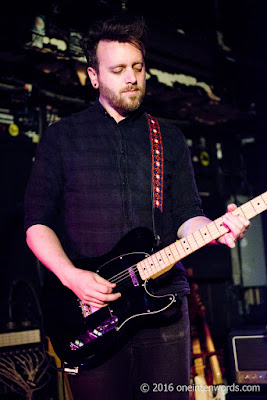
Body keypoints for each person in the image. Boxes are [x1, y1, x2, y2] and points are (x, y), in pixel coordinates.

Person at [24, 13, 250, 400]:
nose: (131, 77)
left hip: (162, 306)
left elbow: (185, 215)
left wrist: (213, 230)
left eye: (137, 67)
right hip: (90, 308)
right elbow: (36, 223)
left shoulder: (169, 139)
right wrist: (71, 277)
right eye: (117, 70)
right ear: (94, 76)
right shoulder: (62, 138)